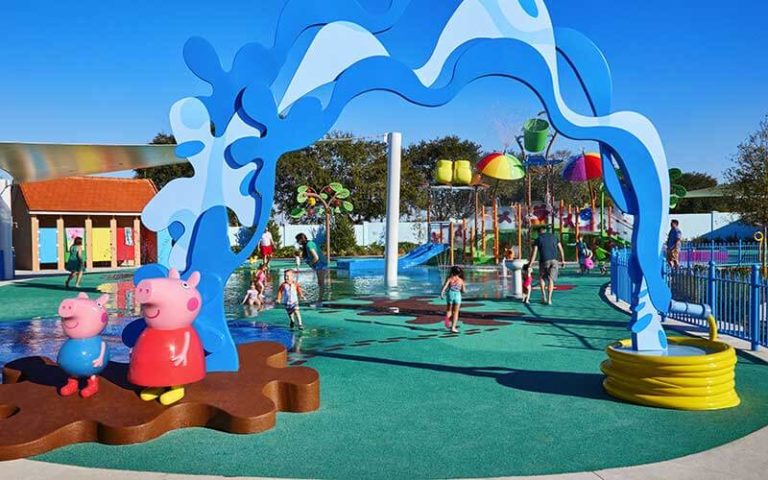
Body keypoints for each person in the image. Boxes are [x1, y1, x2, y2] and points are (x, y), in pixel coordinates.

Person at [528, 225, 566, 305]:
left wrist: (530, 264)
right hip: (554, 261)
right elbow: (561, 249)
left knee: (542, 278)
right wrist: (563, 260)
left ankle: (544, 297)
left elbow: (534, 252)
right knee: (550, 280)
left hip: (544, 261)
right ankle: (549, 299)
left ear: (539, 231)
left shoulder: (538, 239)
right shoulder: (554, 237)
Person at [440, 266, 465, 333]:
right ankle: (453, 327)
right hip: (457, 295)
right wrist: (461, 290)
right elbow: (463, 290)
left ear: (452, 272)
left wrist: (442, 293)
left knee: (449, 310)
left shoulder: (449, 279)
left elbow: (445, 286)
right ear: (459, 273)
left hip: (450, 294)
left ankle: (447, 321)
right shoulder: (461, 280)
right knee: (456, 312)